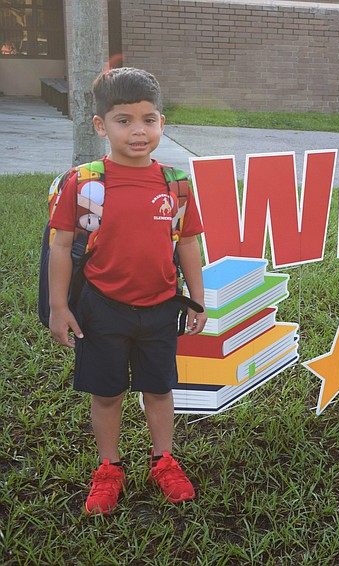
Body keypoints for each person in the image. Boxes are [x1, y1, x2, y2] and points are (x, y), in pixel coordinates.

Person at [48, 67, 207, 515]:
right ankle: (109, 467)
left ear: (162, 122)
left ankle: (163, 461)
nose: (138, 131)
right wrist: (59, 307)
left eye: (149, 119)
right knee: (107, 393)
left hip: (160, 307)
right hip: (102, 307)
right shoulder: (83, 183)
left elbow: (188, 242)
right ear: (101, 125)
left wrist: (196, 297)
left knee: (159, 390)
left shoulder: (175, 183)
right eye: (124, 120)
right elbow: (61, 245)